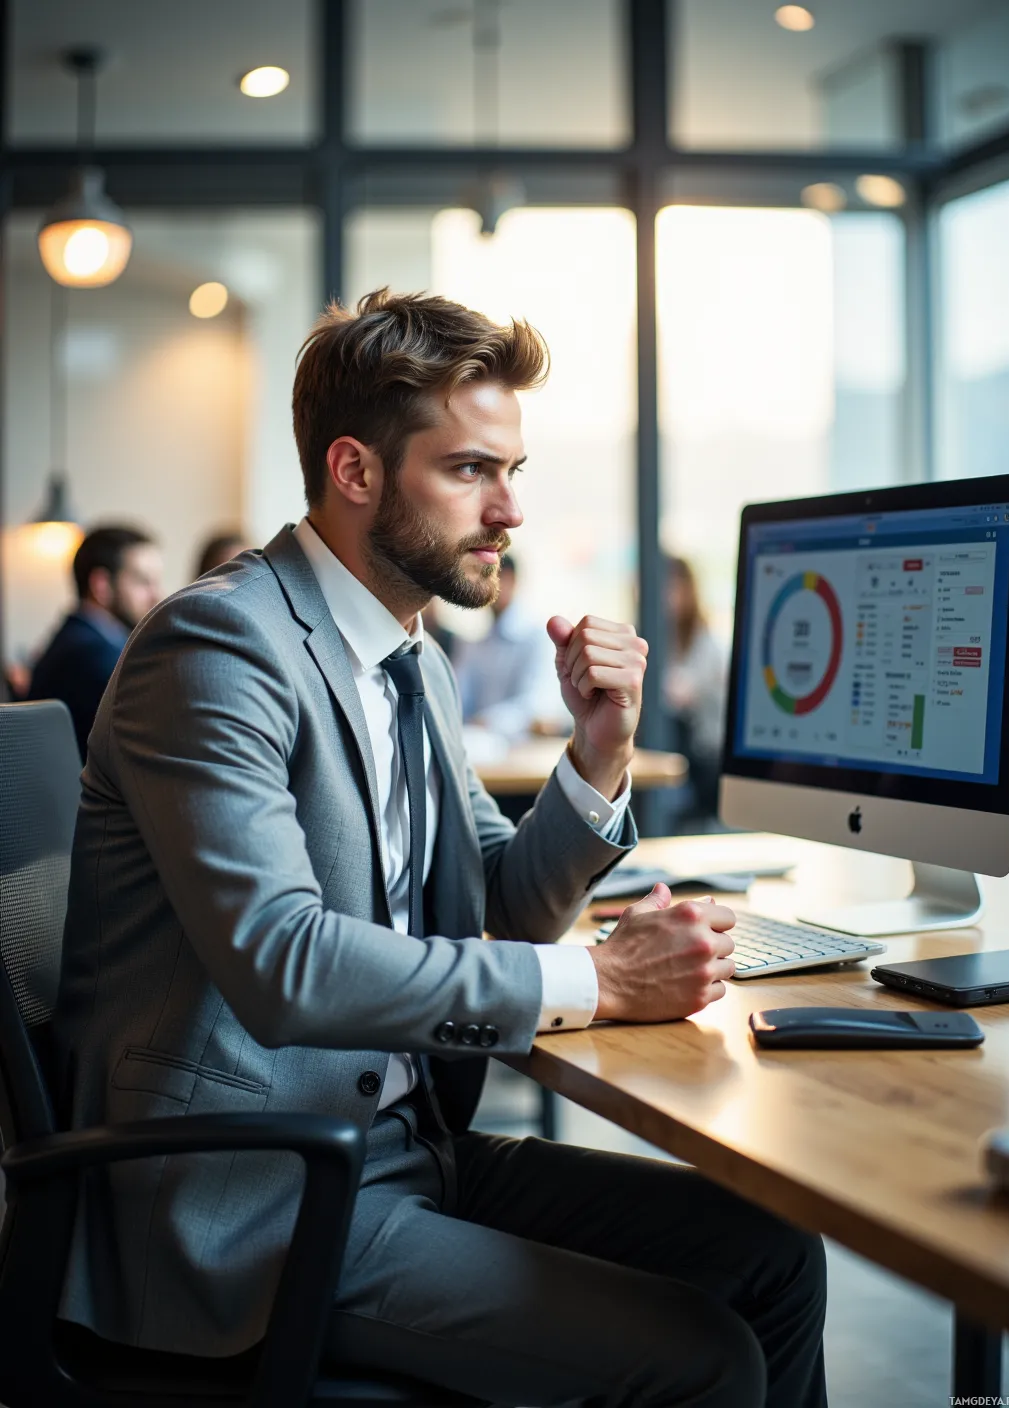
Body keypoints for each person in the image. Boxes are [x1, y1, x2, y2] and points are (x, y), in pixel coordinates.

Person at [54, 290, 826, 1408]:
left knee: (771, 1253)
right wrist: (596, 983)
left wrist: (598, 754)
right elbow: (282, 960)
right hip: (251, 1192)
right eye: (470, 470)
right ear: (355, 471)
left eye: (512, 471)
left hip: (400, 1147)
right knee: (699, 1357)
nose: (509, 510)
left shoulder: (411, 656)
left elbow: (501, 904)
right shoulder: (219, 643)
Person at [28, 524, 163, 760]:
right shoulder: (90, 653)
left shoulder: (80, 639)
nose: (156, 596)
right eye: (143, 582)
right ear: (101, 585)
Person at [453, 552, 568, 739]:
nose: (479, 585)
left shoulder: (538, 638)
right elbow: (456, 697)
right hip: (478, 745)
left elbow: (537, 704)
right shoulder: (474, 644)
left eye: (487, 575)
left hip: (524, 751)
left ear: (511, 581)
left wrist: (486, 721)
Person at [663, 555, 728, 821]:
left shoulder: (706, 642)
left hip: (704, 753)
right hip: (677, 750)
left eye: (670, 586)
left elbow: (684, 695)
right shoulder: (659, 637)